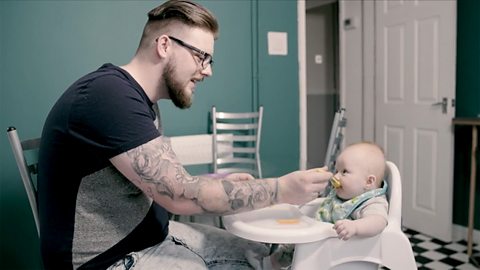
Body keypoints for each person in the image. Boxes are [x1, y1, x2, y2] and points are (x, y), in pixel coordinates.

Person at [37, 1, 332, 269]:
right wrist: (281, 189)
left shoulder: (139, 100)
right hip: (108, 260)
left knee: (269, 255)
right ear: (164, 45)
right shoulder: (109, 96)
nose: (207, 71)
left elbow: (168, 181)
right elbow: (178, 195)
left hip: (153, 236)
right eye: (201, 56)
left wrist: (219, 185)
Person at [246, 142, 389, 270]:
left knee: (296, 250)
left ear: (369, 182)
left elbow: (378, 221)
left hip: (340, 252)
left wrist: (355, 227)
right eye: (337, 170)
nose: (336, 177)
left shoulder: (372, 202)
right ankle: (269, 263)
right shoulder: (345, 195)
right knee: (291, 246)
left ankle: (270, 264)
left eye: (344, 172)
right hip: (320, 242)